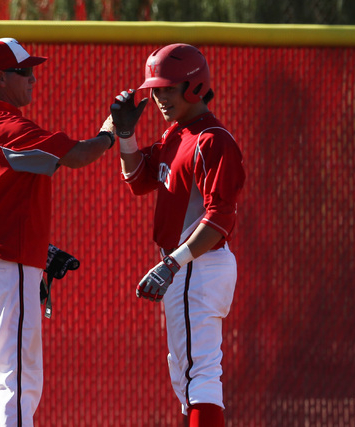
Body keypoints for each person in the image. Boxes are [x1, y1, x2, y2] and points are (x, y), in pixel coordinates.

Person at [0, 37, 115, 427]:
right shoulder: (10, 127)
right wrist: (110, 134)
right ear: (1, 77)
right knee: (18, 380)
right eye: (25, 72)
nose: (33, 79)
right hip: (7, 267)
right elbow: (77, 156)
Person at [109, 43, 245, 426]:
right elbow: (138, 180)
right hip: (187, 267)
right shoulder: (177, 133)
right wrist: (125, 135)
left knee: (199, 376)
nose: (159, 97)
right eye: (155, 89)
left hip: (197, 264)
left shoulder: (213, 139)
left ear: (194, 86)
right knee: (188, 376)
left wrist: (172, 263)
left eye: (169, 88)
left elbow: (220, 218)